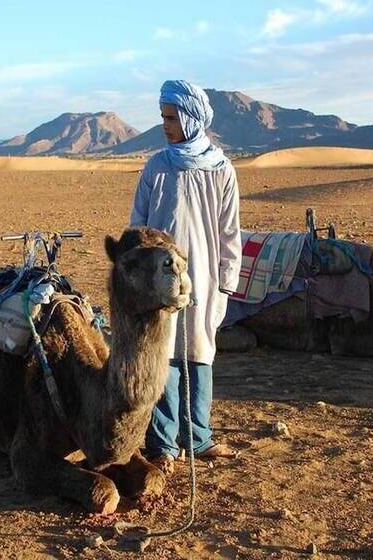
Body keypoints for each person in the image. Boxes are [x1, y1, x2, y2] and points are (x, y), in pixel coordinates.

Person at [129, 79, 241, 473]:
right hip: (160, 279)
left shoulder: (221, 169)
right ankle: (163, 444)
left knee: (199, 353)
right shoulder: (157, 167)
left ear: (191, 118)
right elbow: (137, 228)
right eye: (162, 116)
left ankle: (198, 438)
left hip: (207, 276)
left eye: (171, 117)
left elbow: (230, 230)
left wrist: (227, 278)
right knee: (165, 355)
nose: (165, 124)